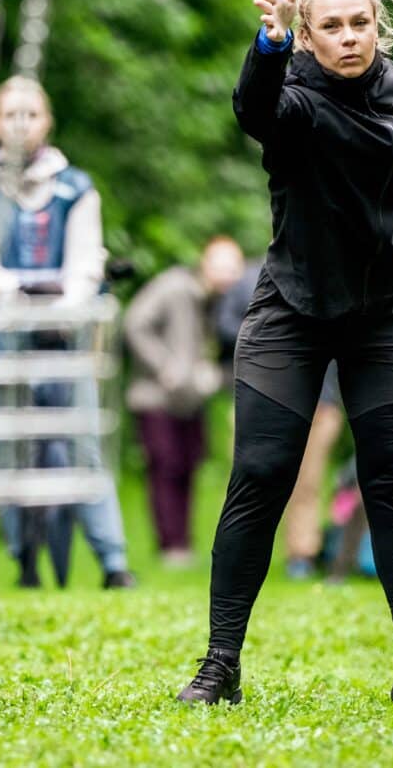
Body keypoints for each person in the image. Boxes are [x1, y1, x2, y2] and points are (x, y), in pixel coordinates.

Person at [177, 0, 393, 709]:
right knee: (260, 475)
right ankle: (221, 663)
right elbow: (251, 111)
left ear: (375, 27)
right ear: (310, 37)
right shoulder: (289, 95)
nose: (350, 37)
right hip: (291, 308)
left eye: (360, 23)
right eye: (332, 26)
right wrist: (270, 42)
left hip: (384, 314)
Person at [0, 75, 135, 590]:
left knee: (85, 446)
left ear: (46, 121)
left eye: (31, 114)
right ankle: (24, 558)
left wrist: (60, 303)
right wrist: (21, 292)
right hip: (5, 336)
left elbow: (85, 265)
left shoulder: (74, 186)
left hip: (67, 336)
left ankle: (112, 562)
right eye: (10, 115)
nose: (21, 124)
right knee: (11, 450)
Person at [124, 237, 244, 566]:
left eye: (234, 268)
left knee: (188, 466)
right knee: (166, 467)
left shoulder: (219, 302)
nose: (228, 275)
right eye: (221, 266)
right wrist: (164, 365)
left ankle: (183, 545)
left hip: (191, 400)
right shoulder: (175, 286)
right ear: (204, 263)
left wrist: (212, 375)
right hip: (156, 397)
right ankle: (170, 547)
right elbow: (134, 323)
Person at [284, 362, 344, 579]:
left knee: (307, 484)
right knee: (256, 481)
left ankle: (302, 553)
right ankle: (243, 551)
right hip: (271, 397)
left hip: (321, 406)